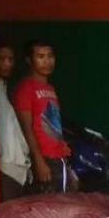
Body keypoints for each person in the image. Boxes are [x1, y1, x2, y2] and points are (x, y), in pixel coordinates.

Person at [12, 39, 75, 192]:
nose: (47, 61)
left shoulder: (49, 88)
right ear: (29, 60)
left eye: (50, 56)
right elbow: (26, 127)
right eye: (40, 56)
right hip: (44, 158)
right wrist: (38, 160)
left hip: (57, 157)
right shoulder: (26, 88)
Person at [0, 38, 31, 201]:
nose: (7, 64)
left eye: (11, 59)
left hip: (17, 169)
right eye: (1, 59)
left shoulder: (3, 88)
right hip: (4, 169)